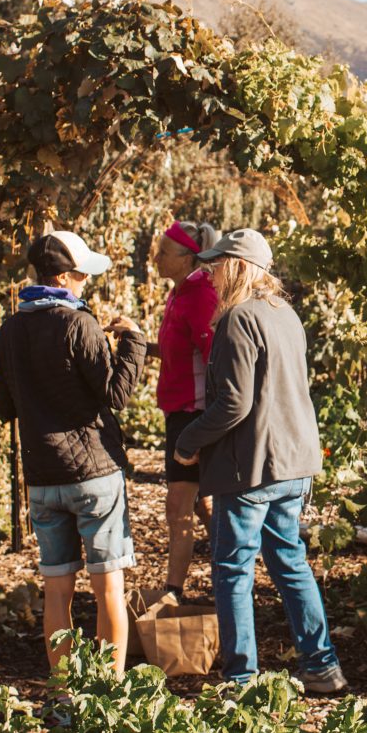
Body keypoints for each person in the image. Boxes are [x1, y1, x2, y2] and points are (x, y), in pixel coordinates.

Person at [170, 228, 346, 694]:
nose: (210, 274)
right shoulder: (286, 315)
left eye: (218, 265)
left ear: (242, 268)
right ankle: (322, 665)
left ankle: (240, 678)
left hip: (254, 467)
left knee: (232, 567)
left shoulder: (238, 320)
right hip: (295, 462)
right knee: (290, 561)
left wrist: (188, 441)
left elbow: (232, 405)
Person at [0, 229, 147, 674]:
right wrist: (133, 340)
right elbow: (115, 394)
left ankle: (62, 696)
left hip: (42, 477)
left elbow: (4, 407)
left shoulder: (9, 330)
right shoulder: (79, 323)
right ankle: (110, 695)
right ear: (64, 278)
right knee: (108, 589)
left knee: (56, 592)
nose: (85, 284)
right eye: (81, 275)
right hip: (94, 473)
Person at [151, 219, 218, 603]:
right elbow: (181, 350)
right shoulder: (178, 292)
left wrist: (210, 425)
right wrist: (138, 343)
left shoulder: (201, 295)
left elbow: (214, 360)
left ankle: (172, 593)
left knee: (178, 506)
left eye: (164, 252)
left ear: (189, 259)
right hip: (178, 412)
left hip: (194, 416)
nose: (156, 257)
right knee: (199, 502)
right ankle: (233, 564)